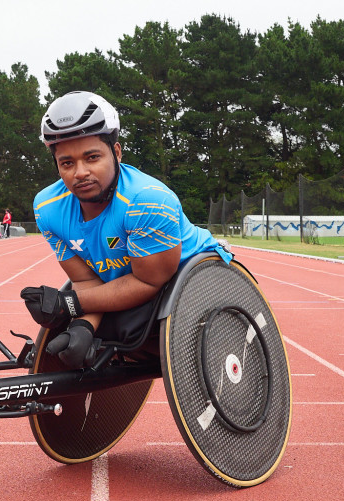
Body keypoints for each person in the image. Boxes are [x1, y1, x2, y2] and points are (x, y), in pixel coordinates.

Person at [21, 91, 231, 368]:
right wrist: (83, 327)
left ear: (116, 153)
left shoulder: (147, 201)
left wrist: (67, 304)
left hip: (192, 283)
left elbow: (148, 282)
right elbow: (87, 282)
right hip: (127, 286)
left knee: (123, 326)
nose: (80, 172)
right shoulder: (47, 208)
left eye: (92, 157)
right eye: (67, 163)